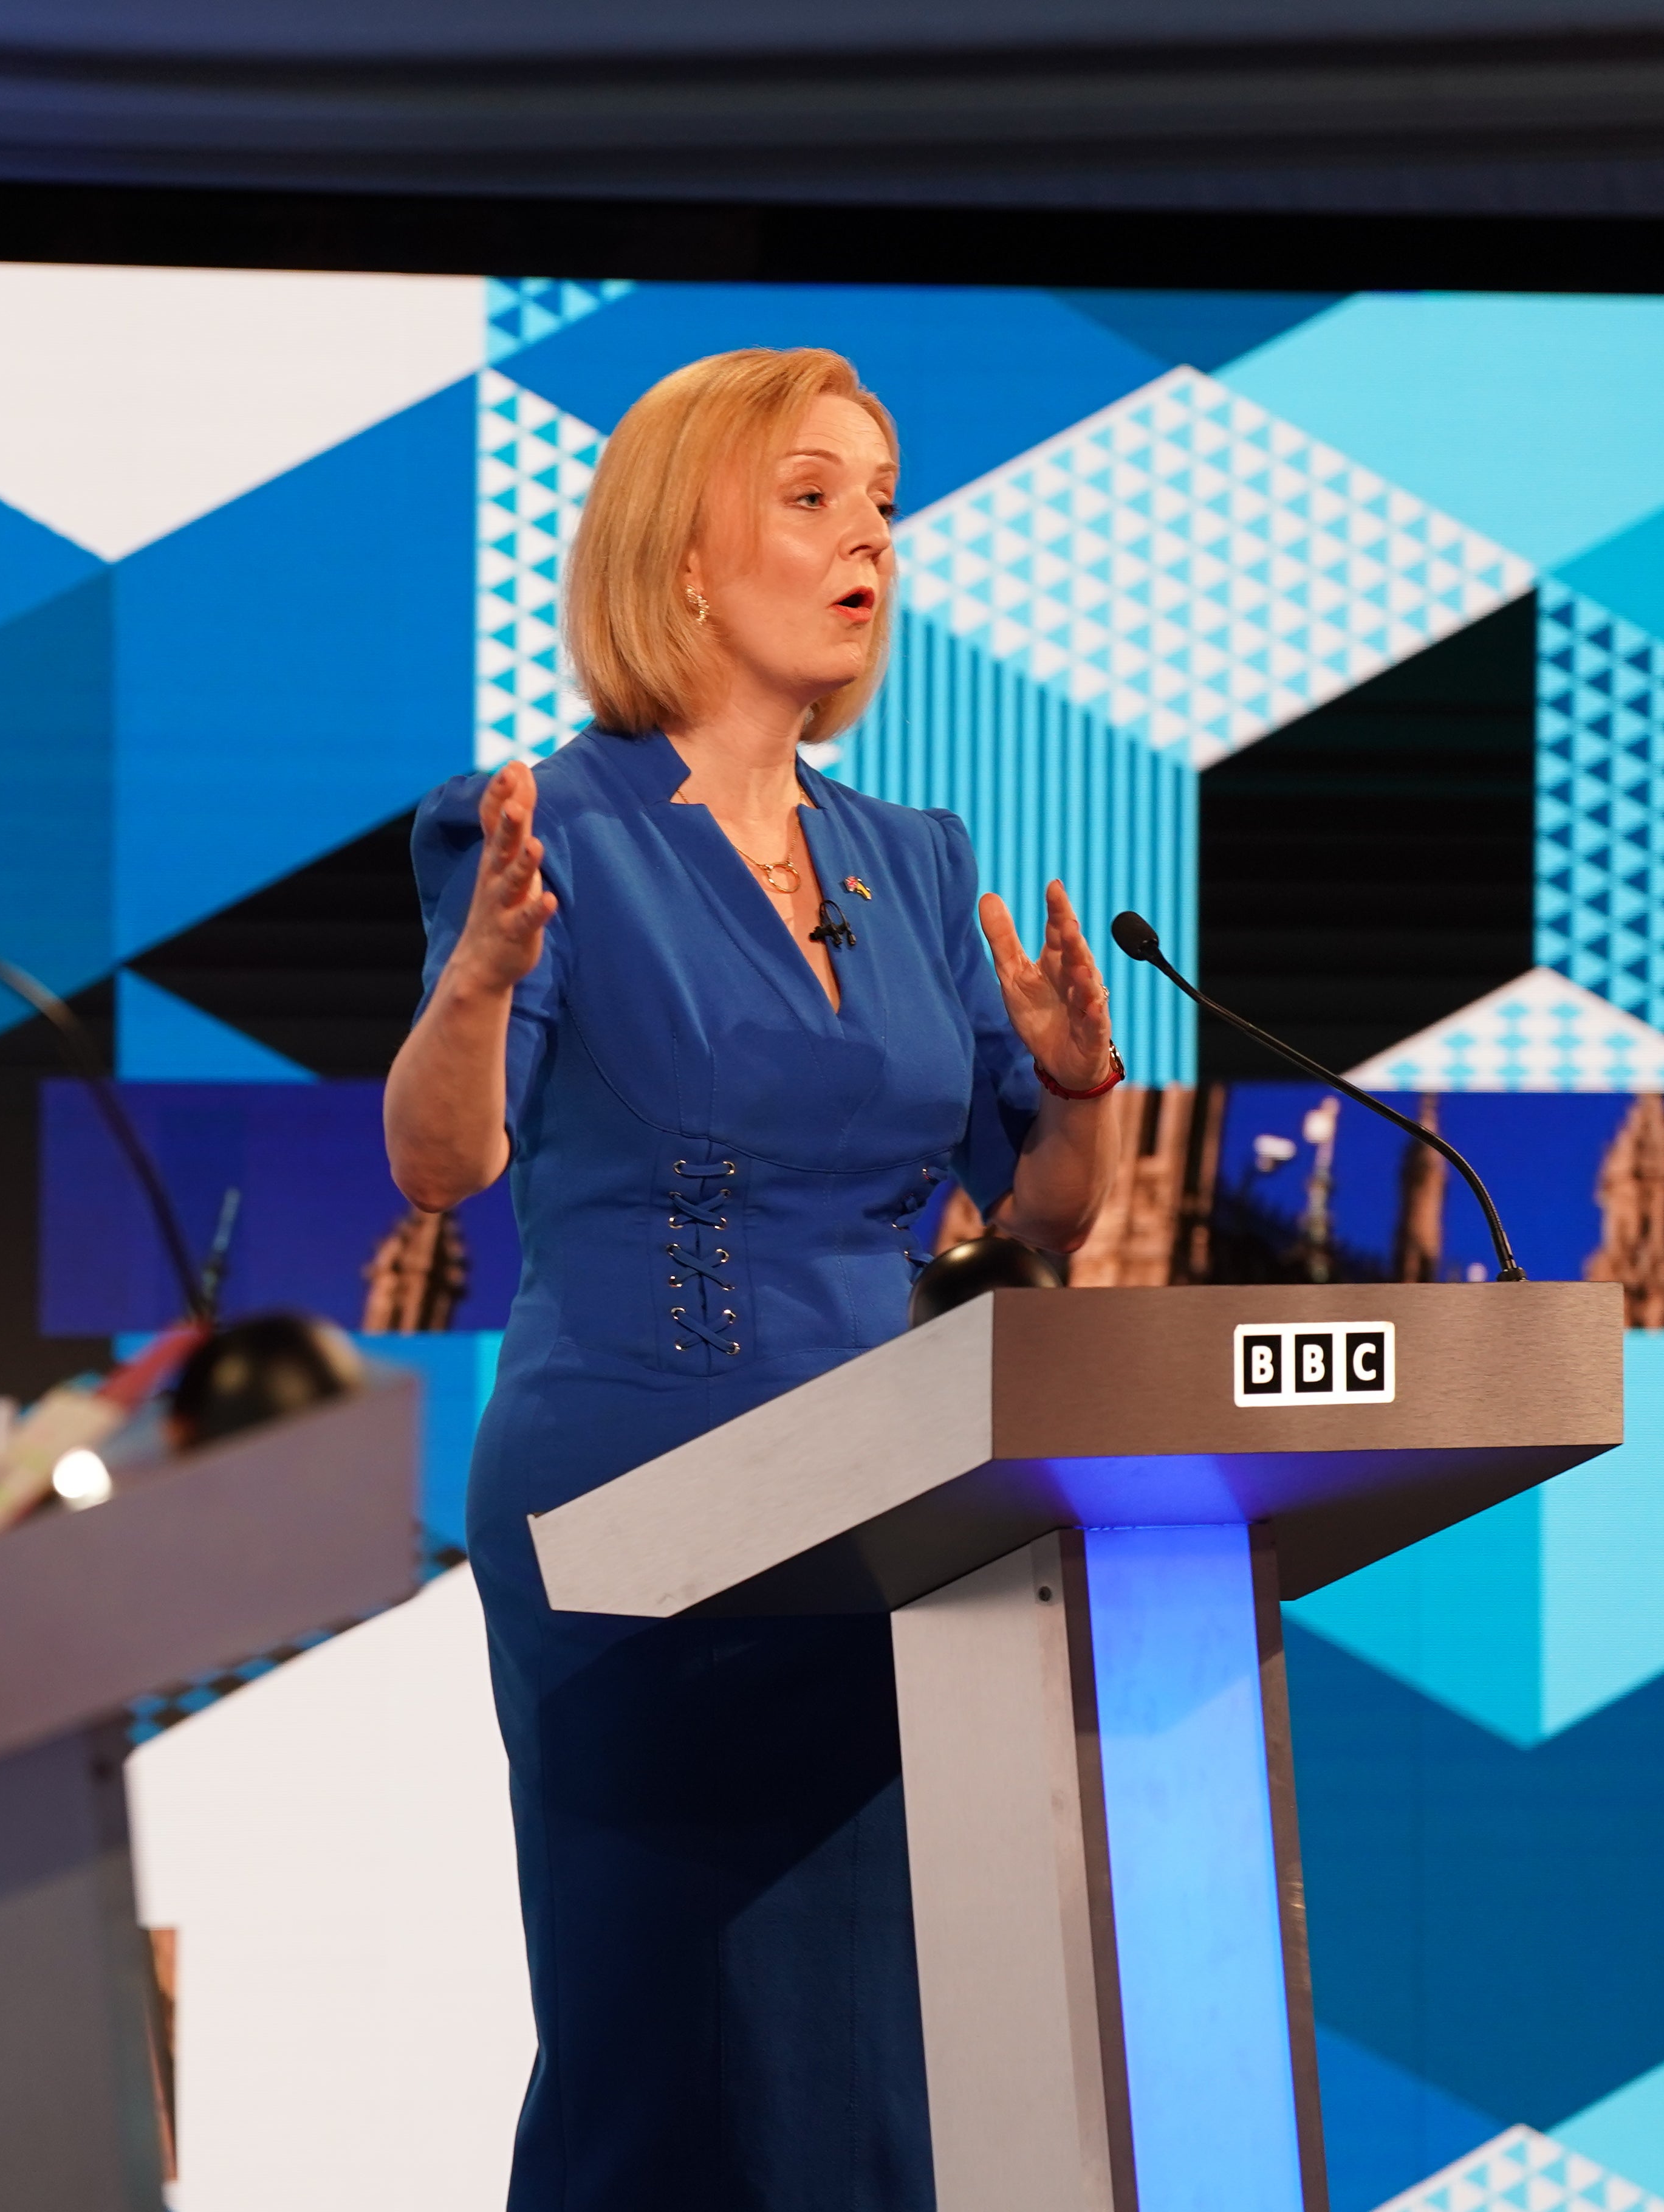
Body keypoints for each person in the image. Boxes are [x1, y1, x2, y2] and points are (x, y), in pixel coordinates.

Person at [385, 347, 1120, 2210]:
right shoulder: (542, 832)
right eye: (812, 494)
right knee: (680, 2055)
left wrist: (1082, 1079)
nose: (867, 532)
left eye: (882, 497)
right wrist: (476, 985)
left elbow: (1045, 1214)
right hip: (635, 1503)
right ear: (683, 559)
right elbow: (440, 1163)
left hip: (900, 1519)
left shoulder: (913, 858)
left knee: (883, 2076)